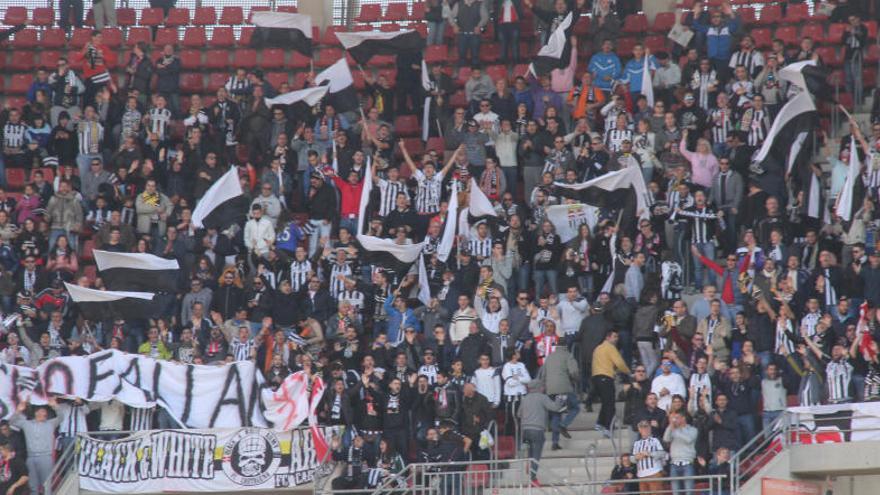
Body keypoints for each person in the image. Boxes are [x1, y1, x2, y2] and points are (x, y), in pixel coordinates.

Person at [518, 380, 565, 487]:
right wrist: (560, 400)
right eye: (543, 386)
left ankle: (529, 466)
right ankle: (533, 478)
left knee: (530, 452)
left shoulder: (525, 398)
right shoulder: (542, 397)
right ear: (539, 387)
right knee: (536, 455)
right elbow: (555, 408)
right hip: (537, 430)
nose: (544, 388)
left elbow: (519, 413)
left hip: (525, 431)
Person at [10, 398, 59, 495]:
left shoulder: (50, 423)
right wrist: (18, 410)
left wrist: (55, 406)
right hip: (31, 458)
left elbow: (62, 417)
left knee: (47, 486)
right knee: (33, 486)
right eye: (42, 411)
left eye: (45, 412)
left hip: (45, 457)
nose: (45, 414)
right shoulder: (27, 424)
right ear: (37, 413)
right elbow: (12, 421)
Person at [592, 329, 630, 433]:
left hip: (596, 377)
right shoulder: (610, 348)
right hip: (606, 376)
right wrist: (628, 372)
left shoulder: (597, 348)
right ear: (608, 337)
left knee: (605, 402)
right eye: (614, 336)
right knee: (609, 402)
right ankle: (609, 427)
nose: (616, 339)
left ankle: (600, 423)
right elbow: (619, 363)